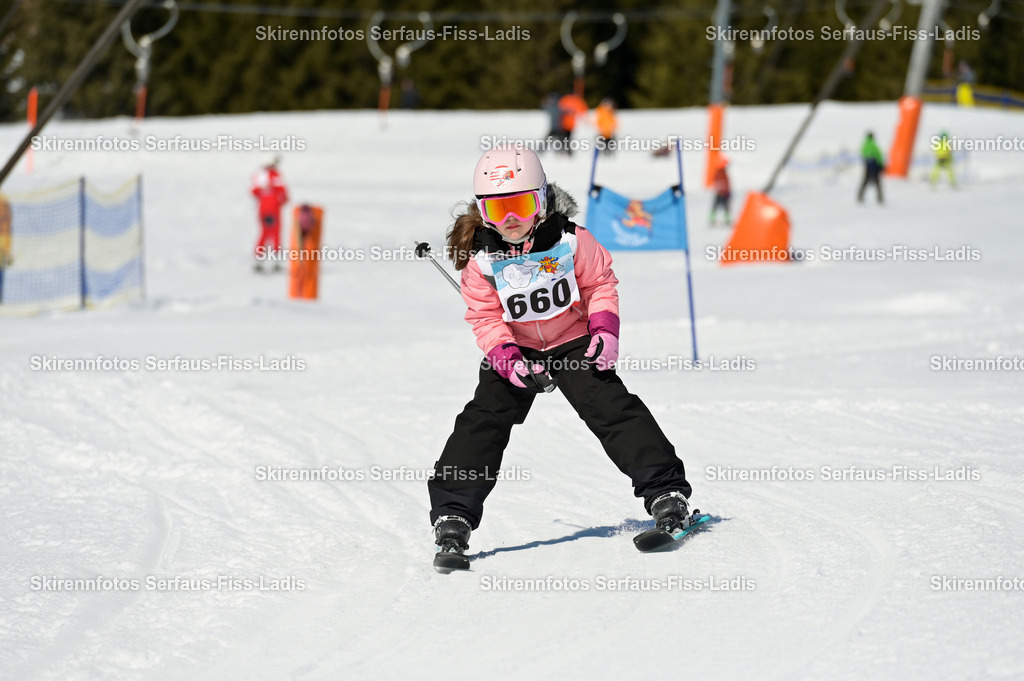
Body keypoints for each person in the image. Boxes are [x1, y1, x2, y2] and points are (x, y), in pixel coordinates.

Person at [428, 146, 693, 557]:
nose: (510, 219)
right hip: (517, 351)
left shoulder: (570, 241)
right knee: (483, 419)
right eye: (497, 210)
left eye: (520, 205)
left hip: (572, 339)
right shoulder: (481, 261)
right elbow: (485, 316)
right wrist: (506, 357)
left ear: (541, 200)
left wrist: (604, 329)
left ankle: (666, 493)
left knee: (611, 407)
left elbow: (599, 284)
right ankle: (453, 514)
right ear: (482, 212)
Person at [251, 156, 289, 271]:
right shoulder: (275, 175)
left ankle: (258, 260)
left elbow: (254, 191)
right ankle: (276, 262)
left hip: (263, 208)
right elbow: (284, 194)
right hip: (273, 209)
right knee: (275, 233)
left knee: (264, 233)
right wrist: (278, 201)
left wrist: (263, 197)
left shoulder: (259, 175)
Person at [858, 131, 884, 205]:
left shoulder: (864, 145)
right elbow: (878, 155)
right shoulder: (874, 145)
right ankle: (880, 198)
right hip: (875, 166)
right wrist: (881, 164)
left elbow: (862, 154)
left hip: (867, 165)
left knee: (865, 181)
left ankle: (860, 196)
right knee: (877, 182)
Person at [709, 157, 732, 226]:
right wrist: (724, 191)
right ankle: (713, 219)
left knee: (722, 207)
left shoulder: (722, 172)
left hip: (721, 192)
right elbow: (721, 183)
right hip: (721, 193)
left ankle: (725, 219)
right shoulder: (721, 172)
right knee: (720, 207)